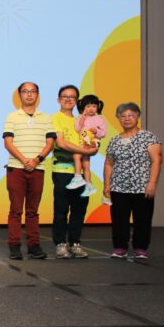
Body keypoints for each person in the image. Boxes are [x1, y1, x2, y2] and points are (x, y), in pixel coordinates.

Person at [2, 82, 55, 260]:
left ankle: (34, 246)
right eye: (25, 91)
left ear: (38, 95)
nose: (29, 94)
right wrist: (25, 160)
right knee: (16, 210)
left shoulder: (46, 118)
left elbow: (50, 143)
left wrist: (37, 160)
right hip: (16, 169)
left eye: (32, 91)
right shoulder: (12, 117)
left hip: (37, 168)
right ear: (19, 95)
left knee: (33, 211)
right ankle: (14, 246)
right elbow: (8, 143)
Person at [104, 102, 162, 259]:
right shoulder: (114, 140)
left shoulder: (148, 137)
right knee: (119, 219)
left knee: (143, 219)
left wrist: (152, 183)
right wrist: (107, 185)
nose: (126, 119)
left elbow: (157, 160)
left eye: (130, 115)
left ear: (137, 117)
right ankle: (120, 247)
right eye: (122, 116)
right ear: (118, 119)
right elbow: (108, 163)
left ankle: (140, 248)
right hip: (118, 187)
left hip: (142, 187)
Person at [51, 86, 99, 259]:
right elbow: (61, 143)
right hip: (62, 170)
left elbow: (93, 140)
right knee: (61, 209)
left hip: (83, 171)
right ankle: (60, 244)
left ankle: (75, 243)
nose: (68, 99)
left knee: (79, 209)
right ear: (58, 99)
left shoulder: (84, 119)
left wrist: (95, 146)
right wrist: (84, 150)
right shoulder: (55, 118)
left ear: (77, 101)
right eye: (65, 96)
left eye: (72, 97)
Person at [69, 94, 107, 197]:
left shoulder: (99, 119)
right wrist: (82, 118)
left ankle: (77, 177)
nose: (91, 109)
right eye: (88, 106)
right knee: (86, 165)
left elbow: (104, 133)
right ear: (83, 107)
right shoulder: (81, 117)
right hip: (83, 142)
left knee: (76, 155)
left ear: (98, 107)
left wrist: (97, 131)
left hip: (92, 142)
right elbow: (77, 128)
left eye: (94, 106)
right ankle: (89, 185)